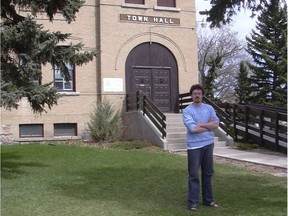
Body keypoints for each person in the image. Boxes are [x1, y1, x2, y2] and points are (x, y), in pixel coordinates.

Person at [182, 84, 220, 212]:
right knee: (193, 175)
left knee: (208, 174)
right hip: (194, 147)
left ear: (202, 95)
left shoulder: (209, 108)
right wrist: (208, 126)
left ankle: (208, 200)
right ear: (192, 96)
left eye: (199, 93)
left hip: (208, 144)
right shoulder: (187, 110)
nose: (197, 95)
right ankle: (193, 202)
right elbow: (193, 129)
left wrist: (201, 124)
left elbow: (216, 124)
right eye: (194, 94)